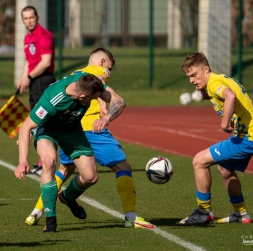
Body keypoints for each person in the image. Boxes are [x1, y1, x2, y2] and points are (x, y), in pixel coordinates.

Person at [24, 48, 155, 229]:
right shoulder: (98, 72)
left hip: (69, 128)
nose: (108, 73)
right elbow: (102, 86)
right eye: (109, 68)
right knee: (122, 166)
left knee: (63, 168)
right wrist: (104, 111)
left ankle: (37, 212)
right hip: (91, 128)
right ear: (101, 62)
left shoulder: (77, 75)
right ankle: (131, 216)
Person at [15, 72, 126, 233]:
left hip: (72, 130)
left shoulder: (89, 82)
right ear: (81, 96)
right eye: (92, 99)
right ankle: (50, 220)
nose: (96, 100)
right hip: (47, 129)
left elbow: (119, 101)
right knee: (49, 161)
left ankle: (67, 197)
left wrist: (106, 117)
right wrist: (23, 161)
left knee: (90, 177)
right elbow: (25, 127)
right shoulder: (52, 101)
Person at [179, 51, 253, 224]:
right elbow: (246, 101)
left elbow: (230, 96)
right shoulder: (221, 79)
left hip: (249, 137)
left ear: (206, 69)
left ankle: (203, 211)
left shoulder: (215, 82)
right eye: (189, 77)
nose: (192, 80)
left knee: (199, 161)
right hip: (249, 134)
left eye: (194, 75)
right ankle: (241, 214)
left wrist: (225, 123)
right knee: (224, 168)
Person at [17, 5, 56, 174]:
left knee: (42, 120)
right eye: (25, 18)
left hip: (43, 80)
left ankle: (45, 162)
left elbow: (46, 62)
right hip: (34, 81)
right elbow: (28, 61)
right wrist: (23, 79)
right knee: (36, 120)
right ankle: (43, 161)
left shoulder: (44, 35)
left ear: (37, 17)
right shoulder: (27, 38)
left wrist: (30, 77)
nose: (29, 21)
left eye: (31, 17)